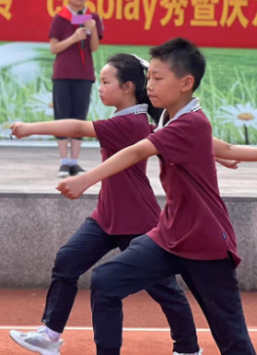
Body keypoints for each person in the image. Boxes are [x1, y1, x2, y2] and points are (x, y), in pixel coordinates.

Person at [58, 38, 256, 355]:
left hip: (206, 244)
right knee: (106, 280)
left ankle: (188, 348)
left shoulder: (190, 123)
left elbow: (138, 151)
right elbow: (227, 148)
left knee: (233, 340)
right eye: (148, 77)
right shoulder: (171, 119)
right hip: (169, 236)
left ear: (186, 83)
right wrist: (216, 156)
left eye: (158, 78)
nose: (149, 85)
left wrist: (85, 179)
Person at [8, 54, 199, 355]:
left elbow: (77, 128)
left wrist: (30, 128)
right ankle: (50, 334)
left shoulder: (129, 123)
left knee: (164, 288)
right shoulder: (132, 121)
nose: (100, 87)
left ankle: (188, 348)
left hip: (137, 220)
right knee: (68, 261)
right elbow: (172, 141)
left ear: (127, 87)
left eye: (106, 81)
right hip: (106, 216)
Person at [49, 0, 104, 178]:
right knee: (62, 116)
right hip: (63, 74)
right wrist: (73, 38)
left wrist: (92, 30)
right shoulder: (60, 18)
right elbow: (54, 48)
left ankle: (74, 162)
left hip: (84, 75)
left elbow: (94, 47)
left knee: (79, 117)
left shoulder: (93, 18)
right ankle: (64, 162)